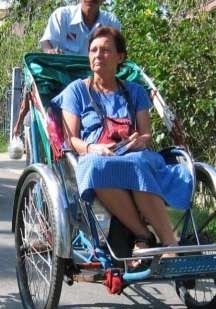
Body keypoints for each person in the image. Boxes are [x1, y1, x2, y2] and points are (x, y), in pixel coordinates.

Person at [51, 27, 192, 270]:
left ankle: (170, 246)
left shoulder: (134, 91)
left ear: (120, 57)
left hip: (133, 155)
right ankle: (143, 235)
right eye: (94, 50)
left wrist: (140, 139)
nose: (98, 55)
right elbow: (71, 140)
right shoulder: (76, 91)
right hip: (96, 155)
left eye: (106, 50)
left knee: (138, 162)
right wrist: (94, 148)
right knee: (96, 166)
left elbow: (146, 133)